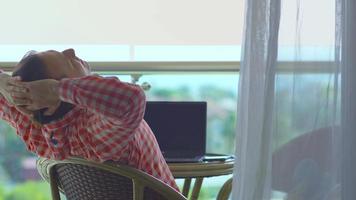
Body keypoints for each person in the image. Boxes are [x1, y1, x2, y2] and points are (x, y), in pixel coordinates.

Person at [0, 49, 179, 191]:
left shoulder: (33, 125)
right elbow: (133, 98)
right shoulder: (96, 126)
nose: (70, 51)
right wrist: (56, 90)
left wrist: (5, 84)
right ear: (49, 100)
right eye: (67, 61)